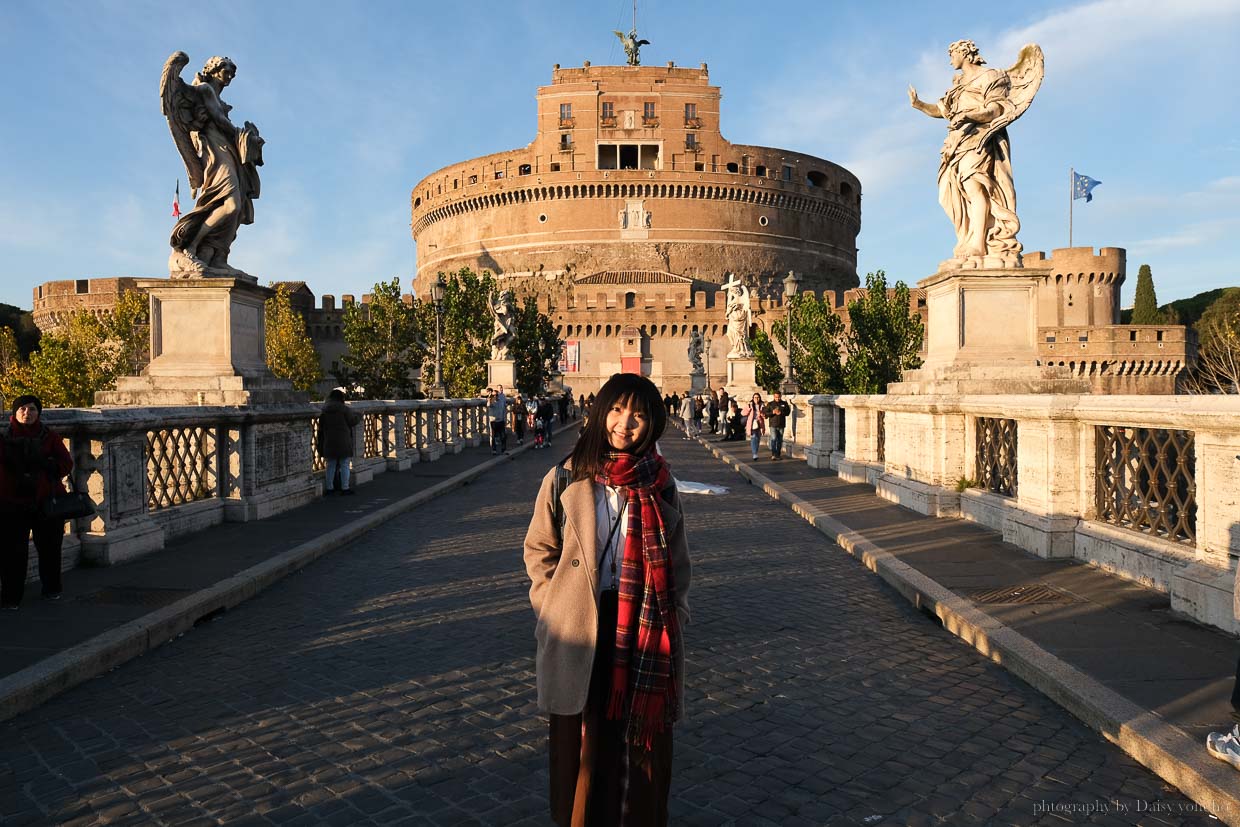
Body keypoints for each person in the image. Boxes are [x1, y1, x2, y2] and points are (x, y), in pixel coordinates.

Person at [523, 372, 691, 827]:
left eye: (638, 414)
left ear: (652, 423)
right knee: (581, 746)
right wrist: (551, 609)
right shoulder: (563, 479)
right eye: (617, 409)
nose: (625, 423)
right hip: (580, 627)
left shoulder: (662, 485)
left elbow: (679, 566)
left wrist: (674, 615)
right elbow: (539, 551)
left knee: (641, 747)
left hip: (643, 629)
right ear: (601, 413)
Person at [907, 40, 1042, 268]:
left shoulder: (990, 76)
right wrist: (919, 104)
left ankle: (978, 243)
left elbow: (996, 109)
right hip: (956, 142)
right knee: (952, 194)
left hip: (980, 138)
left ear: (965, 53)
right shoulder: (958, 84)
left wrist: (971, 116)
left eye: (952, 54)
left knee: (975, 187)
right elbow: (943, 111)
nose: (950, 59)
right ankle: (968, 238)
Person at [1, 395, 74, 608]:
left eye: (32, 409)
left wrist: (47, 464)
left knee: (50, 549)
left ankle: (52, 589)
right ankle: (11, 598)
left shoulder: (49, 436)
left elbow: (66, 464)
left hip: (46, 501)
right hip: (12, 503)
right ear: (14, 413)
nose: (27, 413)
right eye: (22, 409)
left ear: (38, 413)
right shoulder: (4, 438)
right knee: (11, 553)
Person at [317, 389, 360, 495]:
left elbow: (321, 427)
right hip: (343, 440)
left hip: (329, 440)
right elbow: (352, 421)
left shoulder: (324, 410)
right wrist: (359, 416)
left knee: (330, 465)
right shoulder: (344, 409)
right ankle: (345, 488)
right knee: (345, 464)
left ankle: (329, 488)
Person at [765, 391, 792, 460]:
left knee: (780, 440)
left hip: (781, 424)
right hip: (773, 424)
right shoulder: (770, 404)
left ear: (781, 396)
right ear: (774, 397)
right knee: (773, 439)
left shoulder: (784, 403)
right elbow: (766, 414)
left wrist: (781, 412)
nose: (777, 398)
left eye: (779, 397)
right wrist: (773, 412)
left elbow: (788, 412)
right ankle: (773, 454)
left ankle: (778, 454)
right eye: (776, 397)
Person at [744, 392, 766, 461]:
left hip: (759, 423)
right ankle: (754, 453)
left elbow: (765, 416)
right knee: (753, 438)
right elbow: (743, 413)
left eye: (758, 397)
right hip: (752, 424)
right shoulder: (750, 405)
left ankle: (755, 451)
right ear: (753, 398)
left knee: (758, 438)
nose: (756, 399)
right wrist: (749, 408)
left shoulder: (762, 405)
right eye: (755, 397)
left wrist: (761, 413)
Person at [487, 388, 508, 454]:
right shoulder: (491, 402)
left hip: (501, 420)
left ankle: (503, 449)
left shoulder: (501, 401)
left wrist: (504, 419)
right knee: (494, 436)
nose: (495, 396)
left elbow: (503, 410)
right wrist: (490, 399)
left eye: (497, 395)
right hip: (494, 421)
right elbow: (488, 405)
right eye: (494, 395)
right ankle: (494, 449)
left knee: (503, 436)